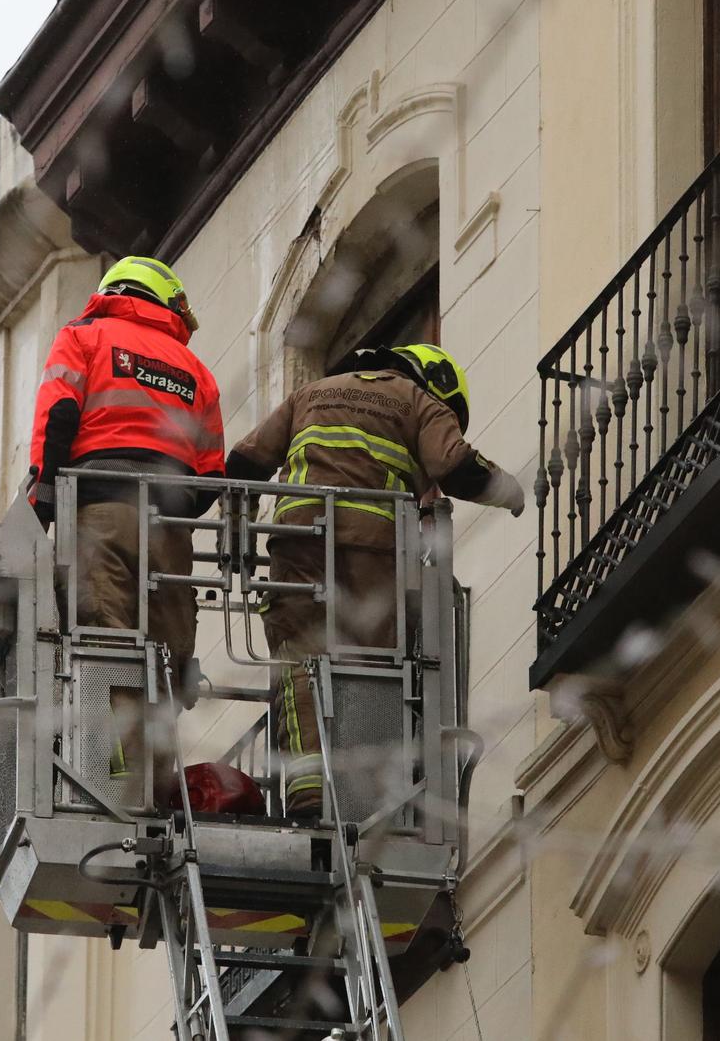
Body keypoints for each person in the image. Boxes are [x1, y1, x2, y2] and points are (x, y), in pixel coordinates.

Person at [225, 342, 523, 818]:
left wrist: (237, 533)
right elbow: (457, 467)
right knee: (373, 661)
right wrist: (510, 490)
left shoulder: (310, 393)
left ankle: (308, 786)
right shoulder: (418, 402)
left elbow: (243, 463)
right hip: (371, 548)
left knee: (300, 656)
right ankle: (363, 793)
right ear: (437, 384)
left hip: (296, 542)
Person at [28, 256, 225, 811]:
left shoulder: (83, 337)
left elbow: (59, 416)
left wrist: (42, 501)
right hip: (171, 531)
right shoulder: (195, 369)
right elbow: (212, 472)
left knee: (104, 648)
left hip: (101, 515)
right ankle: (158, 793)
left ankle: (110, 787)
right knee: (164, 665)